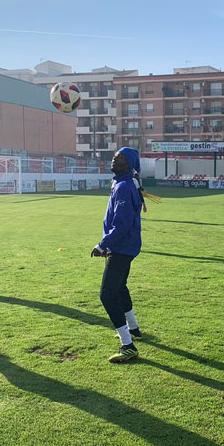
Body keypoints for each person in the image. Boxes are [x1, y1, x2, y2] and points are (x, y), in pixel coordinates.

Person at [91, 147, 143, 363]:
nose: (114, 159)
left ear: (128, 164)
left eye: (120, 158)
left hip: (121, 247)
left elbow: (120, 225)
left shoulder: (123, 186)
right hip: (124, 246)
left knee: (107, 294)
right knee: (120, 288)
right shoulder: (124, 183)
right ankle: (133, 329)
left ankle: (127, 345)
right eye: (115, 155)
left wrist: (103, 245)